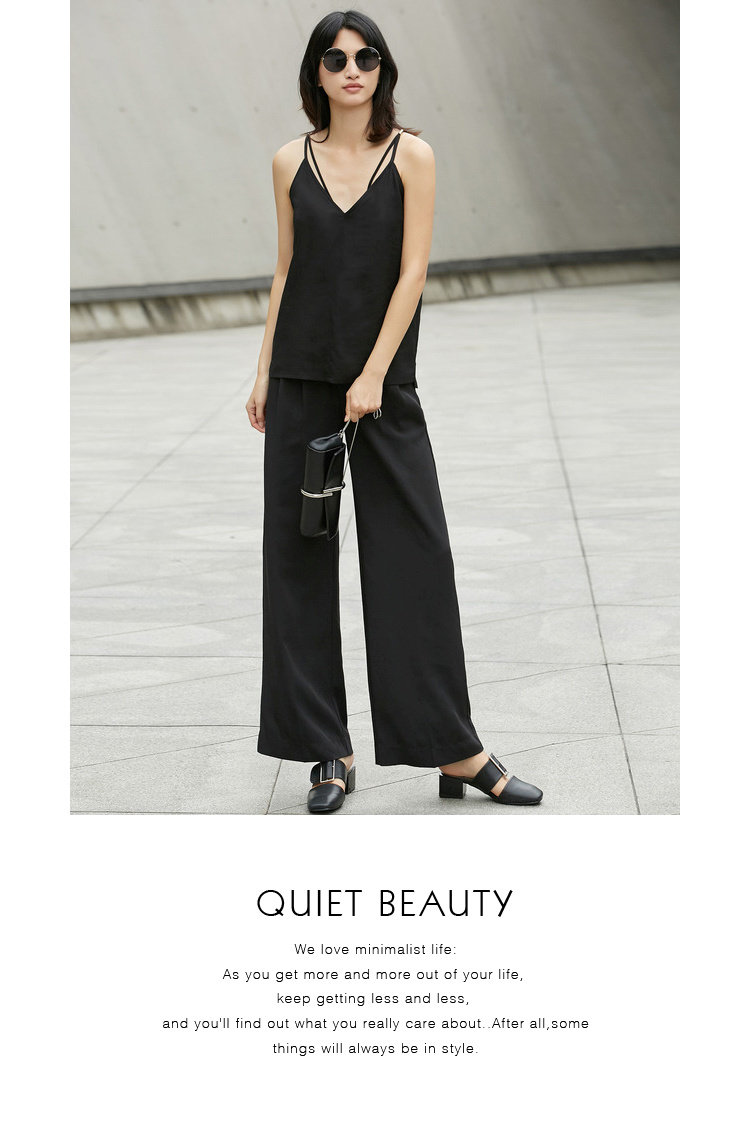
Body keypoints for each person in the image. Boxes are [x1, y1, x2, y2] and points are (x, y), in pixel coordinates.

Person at [245, 10, 543, 814]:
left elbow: (413, 272)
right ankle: (327, 751)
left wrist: (374, 372)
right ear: (316, 72)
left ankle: (454, 748)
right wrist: (264, 371)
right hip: (301, 377)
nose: (352, 69)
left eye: (366, 57)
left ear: (383, 70)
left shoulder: (412, 155)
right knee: (299, 559)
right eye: (336, 58)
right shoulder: (288, 160)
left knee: (415, 554)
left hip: (383, 386)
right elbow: (285, 270)